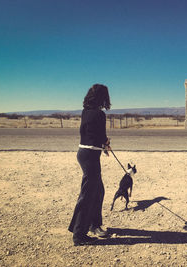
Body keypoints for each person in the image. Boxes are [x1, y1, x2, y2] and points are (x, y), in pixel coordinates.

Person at [68, 84, 112, 246]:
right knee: (88, 194)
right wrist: (106, 143)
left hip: (84, 153)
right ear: (103, 97)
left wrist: (103, 144)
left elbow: (91, 133)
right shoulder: (100, 114)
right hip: (91, 155)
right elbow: (101, 136)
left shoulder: (85, 112)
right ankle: (79, 234)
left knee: (98, 190)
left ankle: (94, 225)